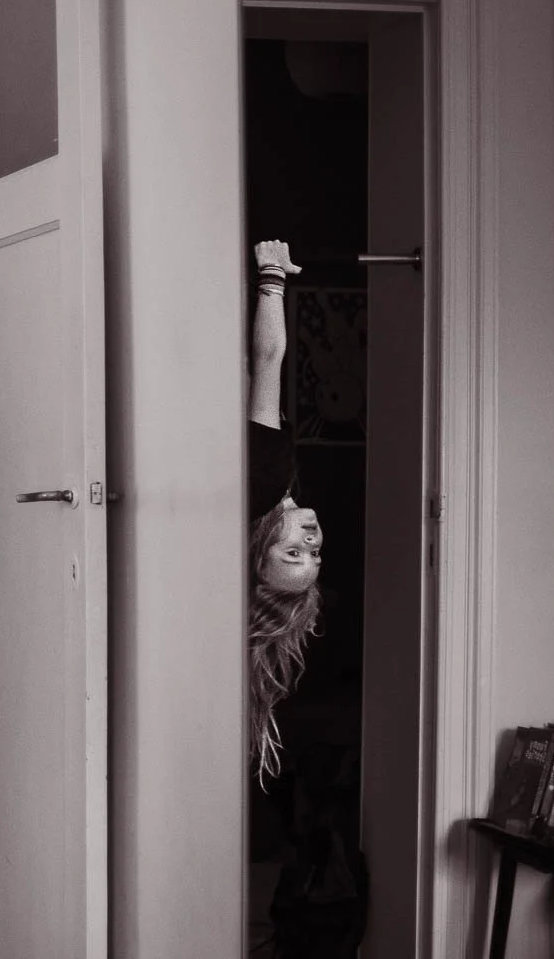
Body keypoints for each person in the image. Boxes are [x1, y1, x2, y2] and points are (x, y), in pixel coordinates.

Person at [247, 239, 325, 784]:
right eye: (313, 554)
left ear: (263, 544)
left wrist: (273, 277)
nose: (313, 539)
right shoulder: (259, 499)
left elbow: (269, 361)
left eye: (293, 550)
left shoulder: (266, 482)